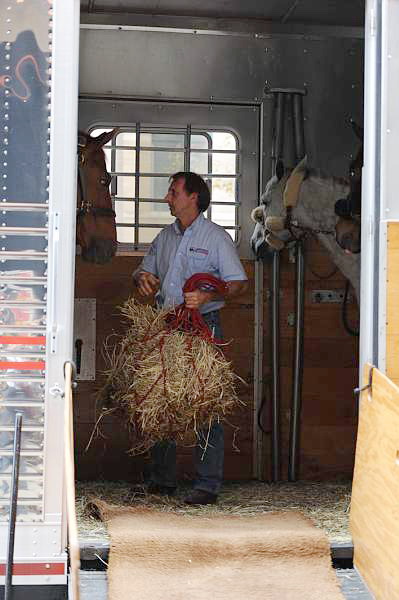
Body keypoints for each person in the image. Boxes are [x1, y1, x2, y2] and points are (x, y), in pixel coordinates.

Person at [133, 171, 248, 505]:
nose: (167, 198)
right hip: (165, 326)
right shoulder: (164, 237)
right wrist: (142, 279)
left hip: (204, 327)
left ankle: (207, 484)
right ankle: (163, 479)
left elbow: (238, 283)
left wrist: (209, 297)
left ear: (192, 197)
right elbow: (143, 271)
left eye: (173, 192)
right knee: (160, 399)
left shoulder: (216, 238)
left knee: (206, 404)